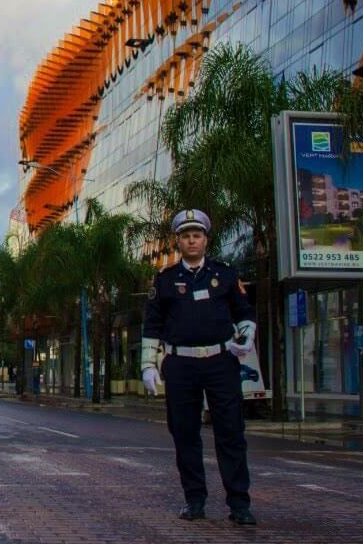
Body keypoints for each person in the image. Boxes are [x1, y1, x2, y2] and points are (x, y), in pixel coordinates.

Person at [140, 209, 258, 526]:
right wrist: (148, 366)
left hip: (221, 362)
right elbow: (152, 325)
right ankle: (194, 500)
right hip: (180, 364)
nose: (192, 241)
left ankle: (239, 504)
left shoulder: (226, 274)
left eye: (197, 235)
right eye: (186, 236)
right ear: (178, 242)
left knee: (231, 433)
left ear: (206, 240)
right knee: (185, 434)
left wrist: (246, 337)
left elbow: (244, 312)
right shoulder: (164, 280)